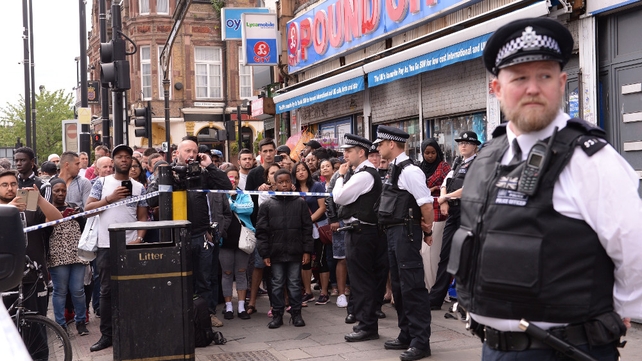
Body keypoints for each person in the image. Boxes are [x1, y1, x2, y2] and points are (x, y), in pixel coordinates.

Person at [448, 17, 642, 360]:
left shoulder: (591, 160)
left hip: (566, 349)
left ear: (562, 83)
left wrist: (618, 310)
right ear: (496, 88)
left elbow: (634, 249)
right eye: (520, 77)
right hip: (492, 348)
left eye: (545, 76)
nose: (533, 88)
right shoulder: (490, 154)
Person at [147, 138, 233, 325]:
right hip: (175, 236)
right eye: (187, 151)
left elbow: (227, 186)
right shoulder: (168, 171)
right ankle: (178, 315)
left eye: (194, 151)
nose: (192, 155)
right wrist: (165, 176)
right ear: (177, 153)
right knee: (177, 279)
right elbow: (150, 200)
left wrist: (209, 166)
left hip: (200, 234)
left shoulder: (202, 173)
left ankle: (207, 314)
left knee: (205, 279)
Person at [375, 125, 434, 361]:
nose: (378, 148)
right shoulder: (395, 169)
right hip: (394, 232)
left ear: (391, 144)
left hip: (406, 233)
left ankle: (421, 341)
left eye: (380, 144)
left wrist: (427, 229)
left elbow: (426, 204)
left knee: (412, 287)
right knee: (399, 286)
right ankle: (406, 333)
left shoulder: (410, 171)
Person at [85, 144, 148, 352]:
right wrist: (109, 199)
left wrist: (139, 238)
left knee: (133, 289)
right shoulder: (101, 183)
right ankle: (107, 335)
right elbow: (87, 210)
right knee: (106, 291)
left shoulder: (139, 188)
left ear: (131, 161)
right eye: (119, 157)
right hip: (106, 245)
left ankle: (132, 330)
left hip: (131, 245)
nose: (124, 160)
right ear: (113, 161)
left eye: (127, 157)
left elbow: (142, 217)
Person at [0, 170, 62, 359]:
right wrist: (9, 209)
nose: (10, 188)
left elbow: (57, 219)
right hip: (5, 279)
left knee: (37, 331)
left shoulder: (30, 205)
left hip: (33, 276)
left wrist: (40, 199)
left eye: (13, 184)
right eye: (4, 185)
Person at [332, 134, 388, 342]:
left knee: (362, 280)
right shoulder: (361, 173)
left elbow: (339, 197)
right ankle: (366, 322)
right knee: (363, 280)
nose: (345, 154)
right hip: (361, 231)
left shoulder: (364, 174)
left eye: (349, 150)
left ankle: (368, 326)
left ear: (361, 152)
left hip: (362, 232)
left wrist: (339, 177)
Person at [256, 168, 314, 329]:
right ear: (274, 184)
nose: (284, 185)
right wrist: (265, 253)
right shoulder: (267, 205)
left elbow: (307, 228)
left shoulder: (300, 203)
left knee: (295, 283)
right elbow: (261, 231)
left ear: (291, 182)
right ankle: (277, 314)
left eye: (287, 181)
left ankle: (296, 314)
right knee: (276, 284)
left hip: (295, 251)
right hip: (276, 253)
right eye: (280, 182)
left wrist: (307, 250)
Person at [429, 131, 479, 310]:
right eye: (460, 142)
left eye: (467, 143)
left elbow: (469, 188)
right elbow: (445, 182)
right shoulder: (458, 162)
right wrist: (444, 199)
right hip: (453, 212)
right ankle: (436, 298)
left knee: (466, 256)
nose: (463, 145)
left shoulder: (478, 164)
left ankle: (464, 300)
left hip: (468, 212)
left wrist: (445, 198)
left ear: (475, 146)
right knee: (446, 256)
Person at [47, 178, 89, 335]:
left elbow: (85, 228)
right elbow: (44, 232)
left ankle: (81, 321)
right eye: (57, 190)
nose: (60, 193)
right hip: (58, 256)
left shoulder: (74, 207)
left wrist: (79, 217)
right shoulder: (47, 209)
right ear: (51, 191)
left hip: (76, 254)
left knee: (78, 289)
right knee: (60, 290)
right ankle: (60, 325)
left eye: (63, 190)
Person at [220, 167, 255, 320]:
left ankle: (241, 306)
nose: (232, 180)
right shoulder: (219, 195)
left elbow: (249, 209)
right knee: (227, 273)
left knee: (241, 272)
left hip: (242, 240)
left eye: (235, 177)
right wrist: (228, 199)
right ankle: (228, 307)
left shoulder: (243, 194)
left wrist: (232, 204)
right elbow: (218, 211)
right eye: (229, 177)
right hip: (225, 240)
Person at [293, 161, 329, 305]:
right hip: (302, 230)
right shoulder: (293, 188)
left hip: (319, 226)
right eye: (298, 170)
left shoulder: (317, 186)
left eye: (304, 169)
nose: (301, 172)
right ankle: (308, 292)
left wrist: (308, 221)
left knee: (321, 260)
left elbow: (322, 207)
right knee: (305, 260)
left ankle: (324, 292)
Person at [417, 139, 451, 291]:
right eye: (427, 153)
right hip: (423, 214)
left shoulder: (444, 167)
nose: (430, 156)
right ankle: (428, 288)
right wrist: (429, 190)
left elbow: (449, 186)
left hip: (439, 214)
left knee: (432, 254)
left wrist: (435, 191)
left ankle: (434, 290)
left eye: (433, 153)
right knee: (424, 254)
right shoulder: (419, 168)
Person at [320, 159, 347, 305]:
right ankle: (341, 293)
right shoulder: (338, 175)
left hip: (359, 221)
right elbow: (329, 197)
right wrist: (333, 218)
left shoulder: (365, 173)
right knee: (341, 258)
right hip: (340, 221)